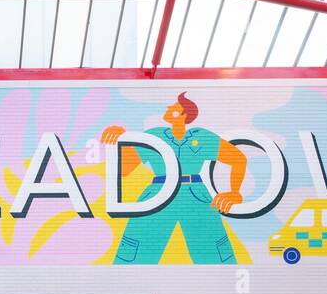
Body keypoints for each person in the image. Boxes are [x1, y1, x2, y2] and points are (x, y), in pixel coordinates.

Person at [101, 93, 247, 264]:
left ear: (183, 114)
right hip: (158, 195)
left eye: (174, 106)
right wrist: (122, 140)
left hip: (195, 197)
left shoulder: (201, 137)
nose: (168, 108)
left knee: (215, 255)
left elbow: (239, 159)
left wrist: (234, 192)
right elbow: (125, 170)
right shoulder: (154, 136)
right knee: (135, 255)